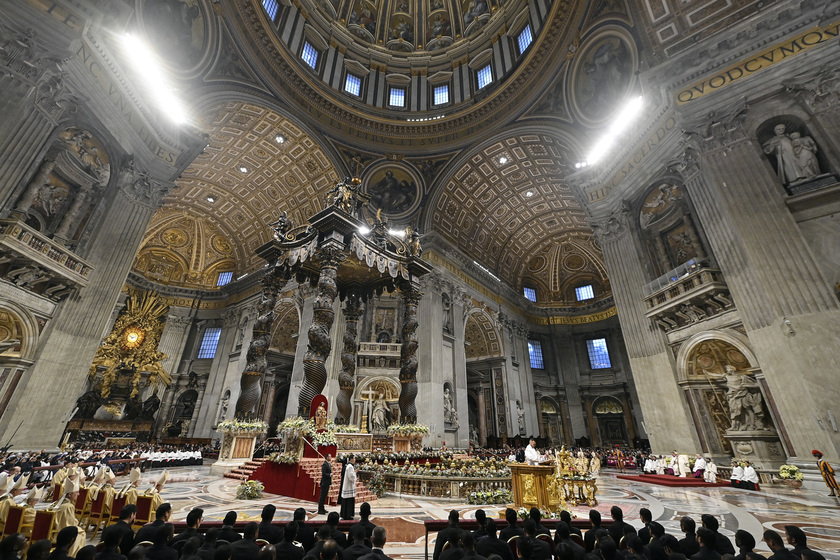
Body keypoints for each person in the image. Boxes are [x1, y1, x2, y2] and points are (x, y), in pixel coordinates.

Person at [51, 477, 87, 557]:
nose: (79, 494)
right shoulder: (68, 506)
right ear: (70, 494)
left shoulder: (58, 502)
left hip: (54, 530)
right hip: (60, 533)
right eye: (76, 492)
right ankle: (72, 556)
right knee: (81, 534)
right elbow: (70, 524)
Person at [340, 455, 357, 520]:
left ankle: (347, 514)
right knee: (348, 501)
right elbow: (351, 477)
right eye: (354, 458)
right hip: (348, 487)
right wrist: (355, 473)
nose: (355, 459)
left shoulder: (349, 466)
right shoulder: (350, 467)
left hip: (348, 486)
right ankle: (348, 515)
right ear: (351, 459)